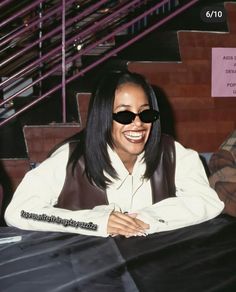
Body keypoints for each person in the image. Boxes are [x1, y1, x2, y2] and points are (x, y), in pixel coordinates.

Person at [4, 71, 224, 237]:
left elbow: (207, 200)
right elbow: (19, 212)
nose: (138, 124)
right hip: (88, 273)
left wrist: (148, 218)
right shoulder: (70, 159)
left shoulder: (172, 153)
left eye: (145, 113)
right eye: (124, 115)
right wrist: (94, 222)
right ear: (103, 117)